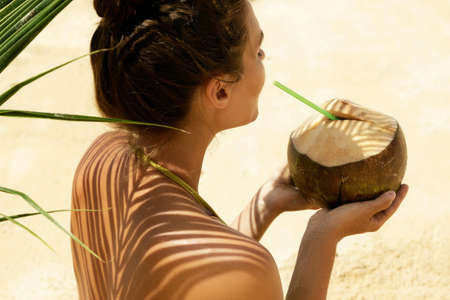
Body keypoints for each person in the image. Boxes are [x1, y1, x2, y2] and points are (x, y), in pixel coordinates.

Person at [70, 0, 409, 299]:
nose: (264, 59)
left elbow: (193, 279)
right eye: (257, 52)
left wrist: (268, 202)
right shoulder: (246, 269)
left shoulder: (103, 158)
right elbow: (221, 273)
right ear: (220, 92)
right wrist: (322, 237)